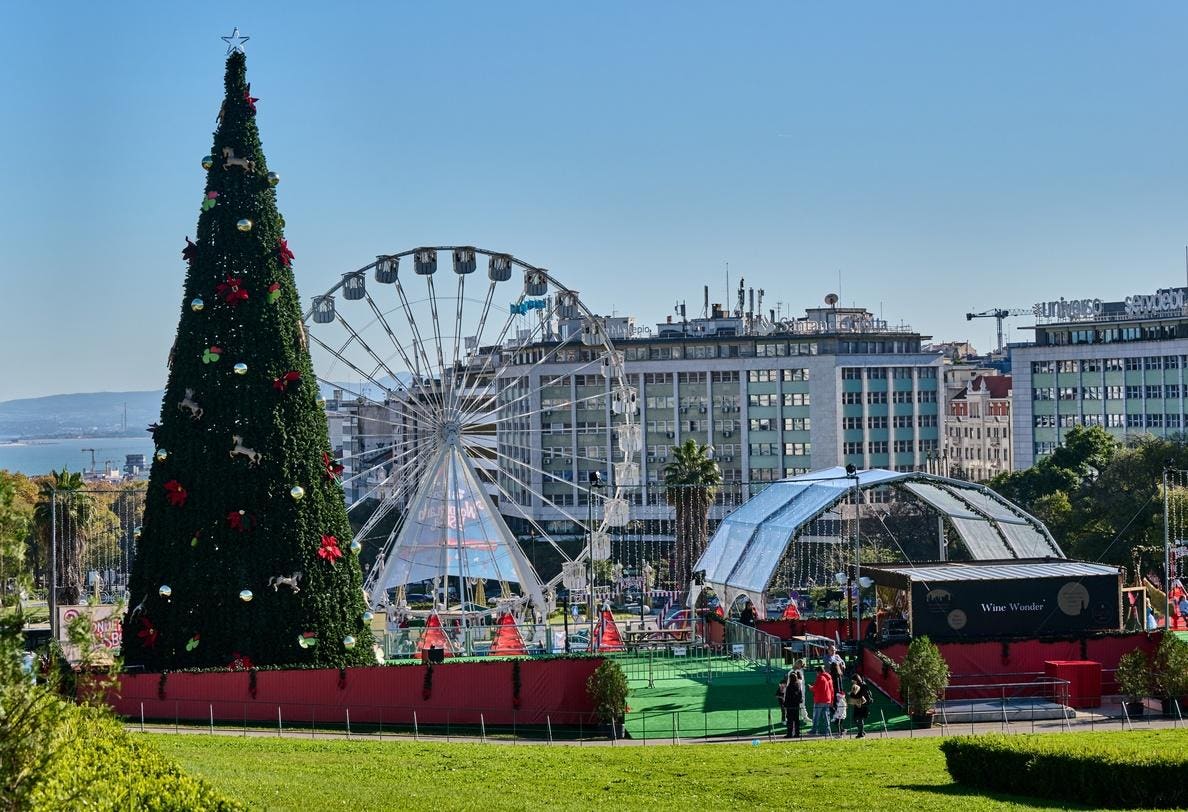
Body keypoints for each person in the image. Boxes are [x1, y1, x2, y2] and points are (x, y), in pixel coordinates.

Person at [848, 673, 873, 738]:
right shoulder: (856, 685)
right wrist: (852, 694)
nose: (852, 682)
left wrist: (854, 695)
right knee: (855, 719)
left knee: (859, 718)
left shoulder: (863, 685)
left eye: (853, 680)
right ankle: (862, 731)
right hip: (858, 704)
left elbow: (864, 696)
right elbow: (853, 695)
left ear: (856, 680)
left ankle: (860, 733)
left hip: (863, 704)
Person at [811, 669, 835, 736]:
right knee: (826, 716)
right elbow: (832, 690)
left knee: (816, 716)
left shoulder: (820, 677)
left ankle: (814, 730)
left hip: (820, 699)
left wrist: (811, 688)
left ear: (818, 672)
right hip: (827, 699)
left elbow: (815, 688)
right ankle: (827, 731)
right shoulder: (829, 678)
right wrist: (832, 700)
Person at [784, 669, 804, 738]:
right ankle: (797, 733)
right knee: (796, 720)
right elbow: (800, 694)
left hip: (790, 705)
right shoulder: (798, 685)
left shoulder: (789, 686)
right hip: (796, 705)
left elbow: (787, 696)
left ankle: (789, 734)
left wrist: (785, 704)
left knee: (790, 720)